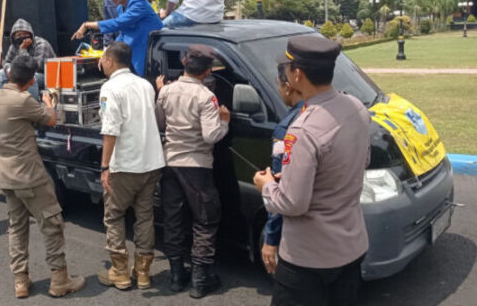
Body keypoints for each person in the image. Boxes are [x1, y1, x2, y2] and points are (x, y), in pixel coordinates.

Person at [253, 35, 370, 306]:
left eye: (286, 69)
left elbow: (293, 203)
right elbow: (358, 162)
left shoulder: (303, 129)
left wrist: (267, 186)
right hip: (351, 247)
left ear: (297, 75)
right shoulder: (354, 106)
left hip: (309, 260)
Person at [0, 54, 85, 298]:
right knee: (52, 224)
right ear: (31, 81)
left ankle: (21, 280)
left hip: (7, 175)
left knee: (17, 228)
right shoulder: (23, 100)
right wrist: (48, 101)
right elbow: (50, 119)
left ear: (9, 75)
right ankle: (60, 279)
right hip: (30, 175)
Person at [154, 45, 230, 298]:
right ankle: (200, 279)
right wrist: (224, 121)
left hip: (171, 162)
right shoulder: (206, 97)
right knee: (205, 220)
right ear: (208, 70)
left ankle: (177, 275)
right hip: (197, 166)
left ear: (185, 61)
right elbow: (211, 136)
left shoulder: (166, 91)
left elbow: (160, 124)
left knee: (173, 219)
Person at [96, 42, 165, 290]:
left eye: (103, 58)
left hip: (125, 164)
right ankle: (144, 273)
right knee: (145, 216)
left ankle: (120, 271)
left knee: (114, 215)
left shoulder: (109, 88)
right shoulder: (145, 84)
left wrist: (105, 167)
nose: (101, 62)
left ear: (111, 61)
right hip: (151, 161)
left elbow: (110, 130)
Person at [72, 0, 163, 76]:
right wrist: (107, 52)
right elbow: (122, 34)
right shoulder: (120, 8)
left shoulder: (139, 2)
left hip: (149, 56)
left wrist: (87, 25)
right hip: (133, 57)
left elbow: (118, 23)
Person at [261, 63, 304, 275]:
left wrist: (270, 239)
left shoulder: (286, 129)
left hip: (299, 237)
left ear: (288, 86)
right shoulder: (332, 111)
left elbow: (281, 190)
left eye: (278, 85)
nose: (279, 90)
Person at [0, 18, 56, 100]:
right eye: (18, 35)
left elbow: (34, 67)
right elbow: (7, 62)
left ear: (30, 34)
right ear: (14, 37)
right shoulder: (14, 46)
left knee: (29, 76)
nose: (22, 37)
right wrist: (9, 70)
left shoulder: (41, 44)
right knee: (0, 74)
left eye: (24, 34)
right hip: (22, 73)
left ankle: (31, 104)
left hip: (45, 76)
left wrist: (23, 50)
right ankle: (3, 101)